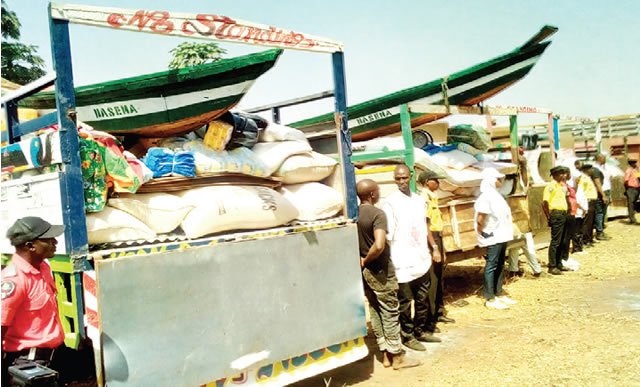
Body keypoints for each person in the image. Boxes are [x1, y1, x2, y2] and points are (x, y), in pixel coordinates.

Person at [355, 179, 421, 370]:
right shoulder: (377, 214)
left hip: (364, 274)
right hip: (380, 271)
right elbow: (379, 244)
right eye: (378, 190)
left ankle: (385, 354)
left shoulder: (354, 215)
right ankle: (398, 356)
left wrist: (362, 262)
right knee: (391, 311)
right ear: (372, 194)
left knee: (375, 311)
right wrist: (367, 260)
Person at [382, 165, 441, 351]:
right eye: (398, 178)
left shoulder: (418, 200)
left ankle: (420, 331)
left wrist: (434, 248)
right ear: (394, 179)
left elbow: (425, 226)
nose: (401, 181)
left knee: (422, 298)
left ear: (411, 177)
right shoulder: (390, 202)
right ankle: (407, 335)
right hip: (401, 259)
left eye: (404, 178)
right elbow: (388, 235)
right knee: (405, 301)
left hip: (421, 256)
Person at [2, 217, 66, 386]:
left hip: (49, 359)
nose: (55, 242)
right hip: (28, 364)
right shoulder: (14, 281)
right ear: (30, 246)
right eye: (48, 239)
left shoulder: (43, 268)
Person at [417, 171, 455, 330]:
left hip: (437, 237)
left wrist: (442, 248)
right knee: (432, 281)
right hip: (430, 239)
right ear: (426, 182)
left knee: (439, 278)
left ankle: (439, 312)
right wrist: (434, 247)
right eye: (435, 180)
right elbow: (425, 226)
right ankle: (430, 320)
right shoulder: (423, 199)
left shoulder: (433, 197)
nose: (438, 183)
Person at [474, 168, 516, 309]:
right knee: (491, 265)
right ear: (491, 180)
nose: (500, 181)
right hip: (493, 235)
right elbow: (481, 218)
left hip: (502, 234)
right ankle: (489, 298)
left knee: (500, 264)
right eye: (498, 179)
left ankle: (499, 293)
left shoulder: (496, 195)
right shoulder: (486, 197)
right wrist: (482, 234)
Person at [542, 166, 570, 275]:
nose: (563, 176)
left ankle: (559, 263)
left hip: (563, 213)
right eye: (561, 174)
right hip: (556, 213)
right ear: (555, 175)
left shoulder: (560, 186)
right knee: (556, 241)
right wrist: (549, 216)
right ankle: (552, 265)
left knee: (563, 241)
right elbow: (545, 203)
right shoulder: (551, 186)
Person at [578, 164, 599, 247]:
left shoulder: (588, 178)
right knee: (587, 222)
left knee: (591, 221)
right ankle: (585, 240)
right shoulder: (583, 179)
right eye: (591, 169)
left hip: (592, 200)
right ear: (586, 170)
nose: (592, 171)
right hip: (588, 200)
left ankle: (589, 238)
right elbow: (581, 191)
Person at [593, 154, 612, 239]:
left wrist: (609, 195)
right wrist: (603, 195)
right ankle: (599, 232)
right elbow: (597, 183)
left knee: (603, 212)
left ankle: (601, 230)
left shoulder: (605, 168)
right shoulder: (595, 169)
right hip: (601, 192)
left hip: (606, 191)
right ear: (599, 159)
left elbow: (608, 181)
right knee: (599, 212)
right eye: (603, 158)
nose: (605, 160)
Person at [623, 159, 639, 224]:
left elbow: (639, 178)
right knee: (631, 204)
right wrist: (627, 189)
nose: (635, 164)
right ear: (631, 164)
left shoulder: (636, 170)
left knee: (634, 203)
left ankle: (632, 217)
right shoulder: (628, 170)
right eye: (634, 163)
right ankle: (632, 219)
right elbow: (626, 180)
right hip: (631, 188)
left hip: (637, 188)